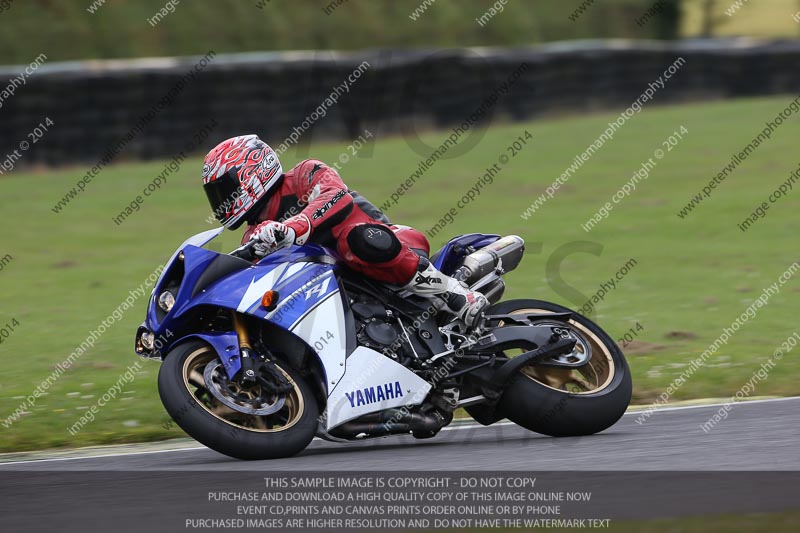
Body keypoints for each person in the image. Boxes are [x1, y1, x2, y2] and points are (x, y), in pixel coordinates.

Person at [201, 134, 488, 326]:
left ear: (252, 173)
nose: (222, 200)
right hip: (343, 290)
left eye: (225, 189)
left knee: (356, 240)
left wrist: (293, 228)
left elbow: (335, 195)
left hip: (391, 244)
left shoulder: (304, 174)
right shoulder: (254, 236)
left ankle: (453, 293)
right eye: (216, 194)